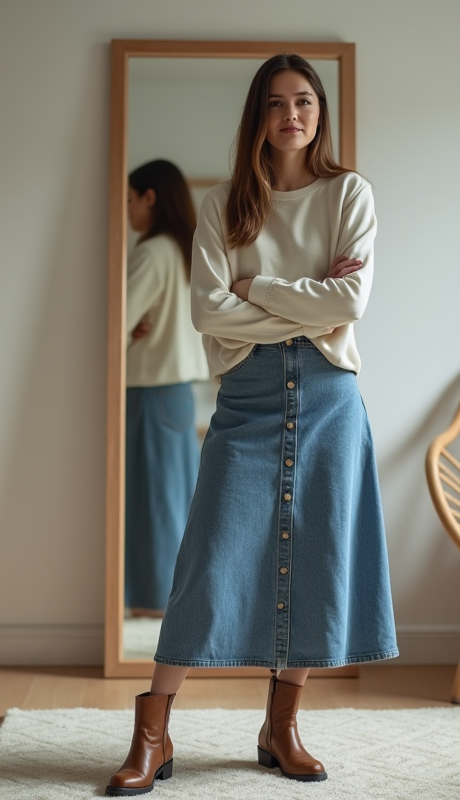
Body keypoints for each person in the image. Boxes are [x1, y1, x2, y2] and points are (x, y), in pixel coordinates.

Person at [106, 55, 397, 796]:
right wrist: (305, 297)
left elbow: (349, 304)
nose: (291, 115)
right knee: (208, 558)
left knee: (316, 557)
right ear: (258, 117)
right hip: (247, 397)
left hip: (330, 395)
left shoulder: (348, 194)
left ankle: (281, 726)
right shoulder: (224, 204)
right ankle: (153, 731)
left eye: (304, 101)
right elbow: (209, 310)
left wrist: (257, 289)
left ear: (320, 112)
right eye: (276, 103)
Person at [124, 159, 209, 618]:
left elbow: (115, 326)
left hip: (148, 391)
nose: (127, 210)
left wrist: (129, 327)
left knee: (149, 503)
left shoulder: (152, 252)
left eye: (130, 199)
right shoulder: (182, 250)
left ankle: (153, 603)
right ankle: (167, 600)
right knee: (171, 499)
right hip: (175, 392)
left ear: (150, 197)